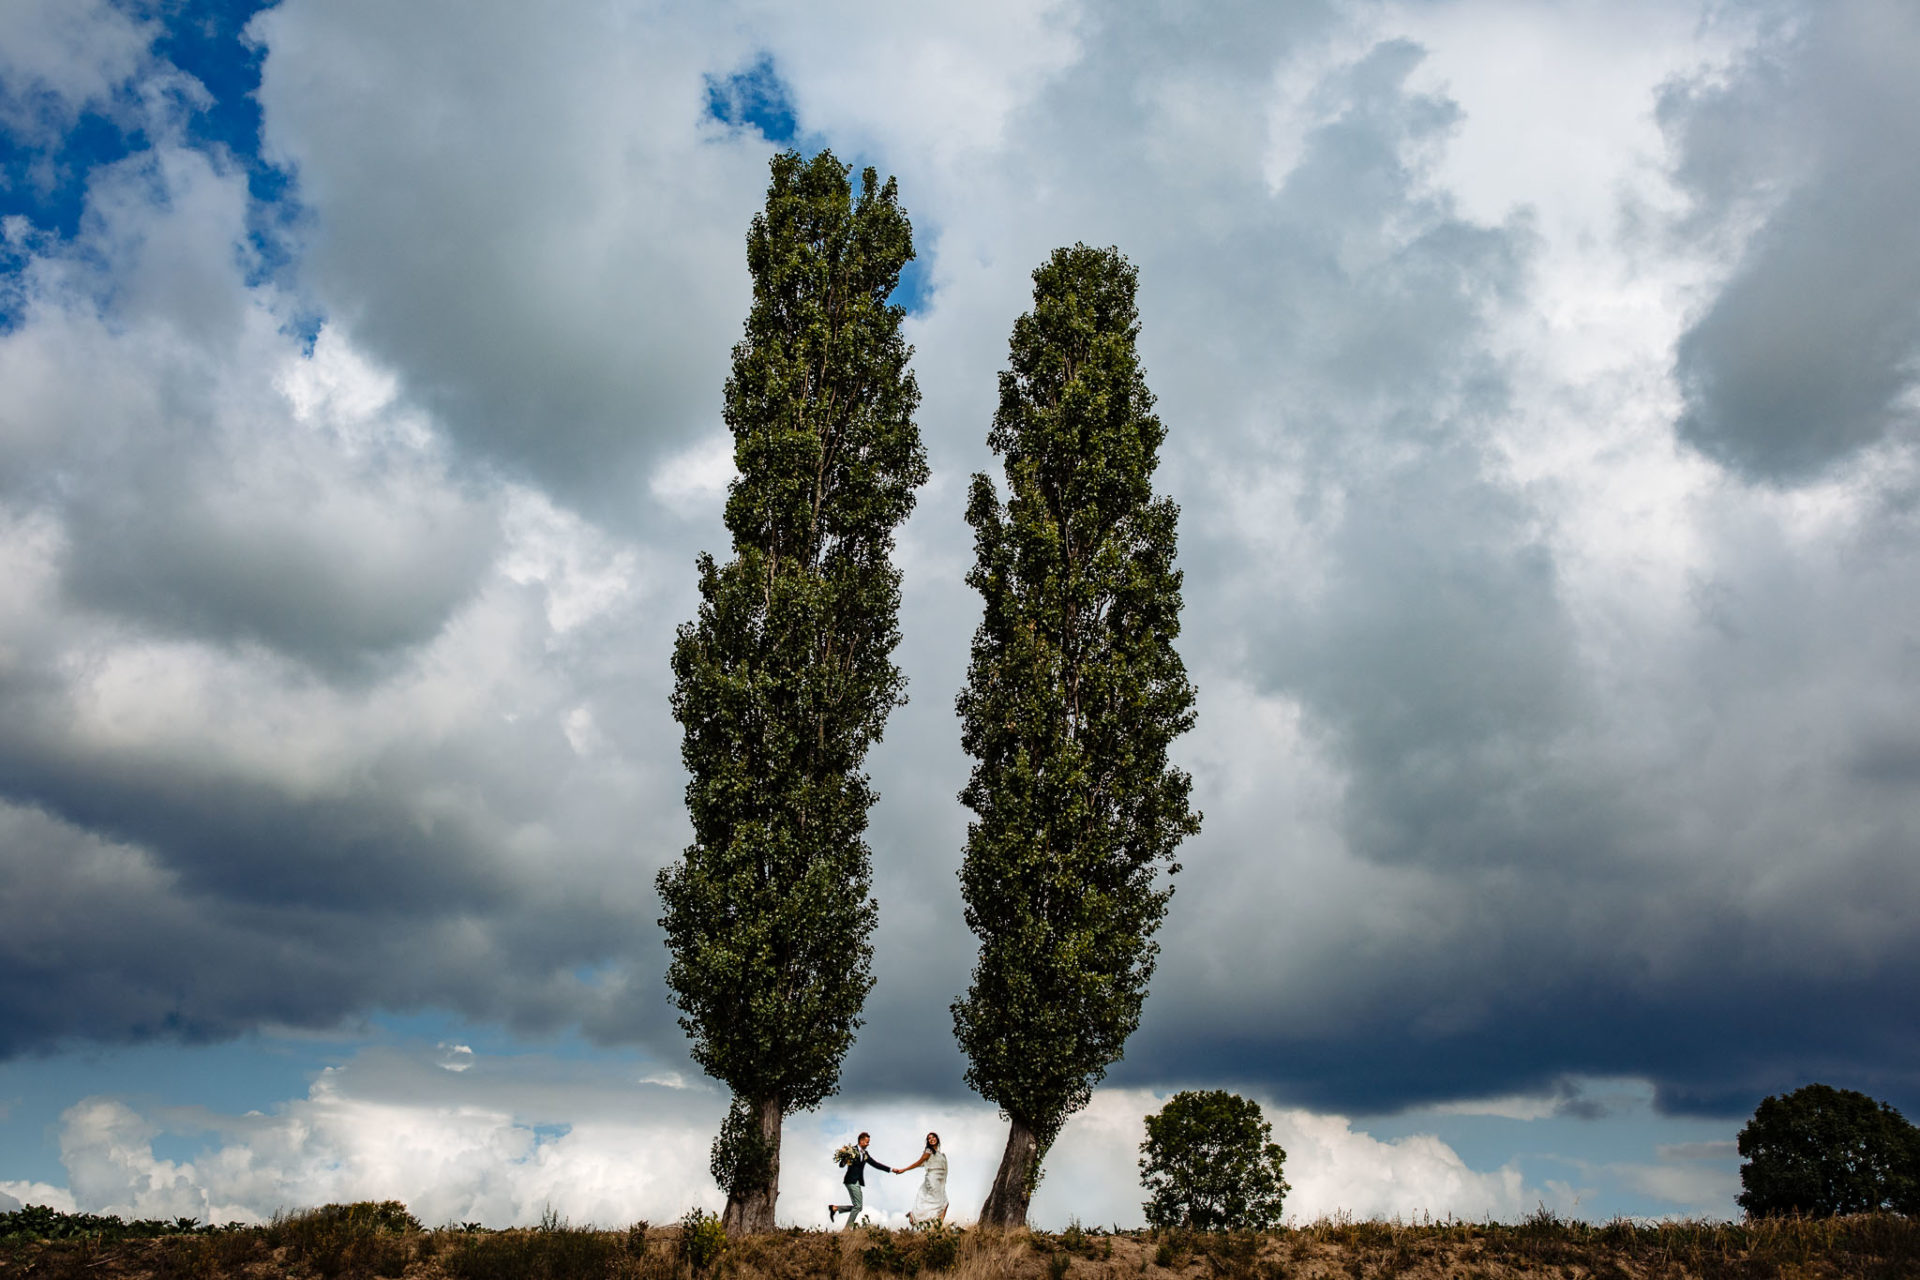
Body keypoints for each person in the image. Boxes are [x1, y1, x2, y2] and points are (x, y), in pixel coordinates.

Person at [829, 1131, 892, 1228]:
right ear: (861, 1141)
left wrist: (890, 1169)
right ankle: (847, 1229)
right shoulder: (851, 1150)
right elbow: (841, 1165)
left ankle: (835, 1208)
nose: (868, 1144)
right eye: (867, 1142)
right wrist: (845, 1159)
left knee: (858, 1207)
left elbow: (876, 1164)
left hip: (857, 1182)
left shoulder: (865, 1154)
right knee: (858, 1207)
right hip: (850, 1180)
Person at [898, 1132, 948, 1227]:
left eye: (933, 1137)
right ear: (928, 1142)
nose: (931, 1139)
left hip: (940, 1180)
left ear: (937, 1139)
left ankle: (939, 1226)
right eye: (929, 1138)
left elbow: (945, 1169)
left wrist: (943, 1182)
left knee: (945, 1203)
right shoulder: (928, 1151)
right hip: (932, 1178)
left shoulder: (941, 1155)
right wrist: (904, 1169)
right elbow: (918, 1163)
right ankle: (915, 1216)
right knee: (936, 1203)